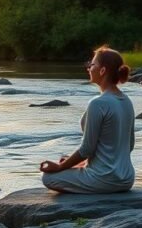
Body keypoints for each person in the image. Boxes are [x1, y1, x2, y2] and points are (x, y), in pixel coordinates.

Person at [39, 46, 135, 194]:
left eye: (92, 65)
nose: (89, 68)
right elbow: (129, 145)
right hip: (127, 179)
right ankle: (86, 170)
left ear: (102, 71)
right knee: (67, 161)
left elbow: (87, 149)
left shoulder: (98, 103)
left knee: (47, 177)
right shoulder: (127, 101)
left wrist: (60, 168)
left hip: (104, 179)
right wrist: (80, 164)